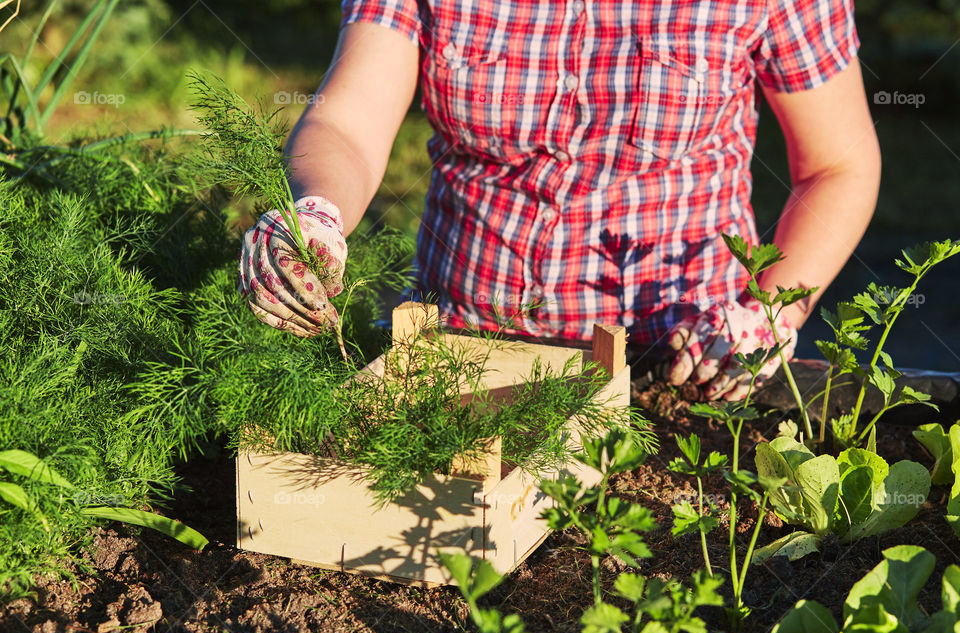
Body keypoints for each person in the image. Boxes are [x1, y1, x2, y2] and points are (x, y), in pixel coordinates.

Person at [239, 0, 881, 400]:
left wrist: (769, 315)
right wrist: (315, 211)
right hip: (457, 364)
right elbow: (348, 123)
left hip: (679, 373)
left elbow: (838, 165)